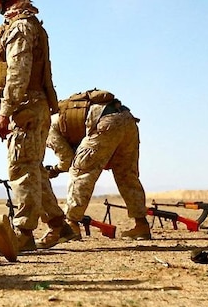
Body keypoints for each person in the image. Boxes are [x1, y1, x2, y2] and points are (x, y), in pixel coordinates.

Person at [0, 0, 76, 251]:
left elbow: (17, 73)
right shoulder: (25, 24)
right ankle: (59, 225)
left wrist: (5, 112)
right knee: (34, 169)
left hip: (25, 106)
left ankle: (23, 232)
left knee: (21, 169)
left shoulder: (21, 27)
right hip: (31, 105)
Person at [46, 89, 151, 240]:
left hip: (105, 122)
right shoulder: (59, 115)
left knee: (80, 172)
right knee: (127, 175)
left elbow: (67, 160)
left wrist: (54, 170)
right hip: (127, 119)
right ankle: (141, 225)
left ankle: (72, 225)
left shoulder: (48, 127)